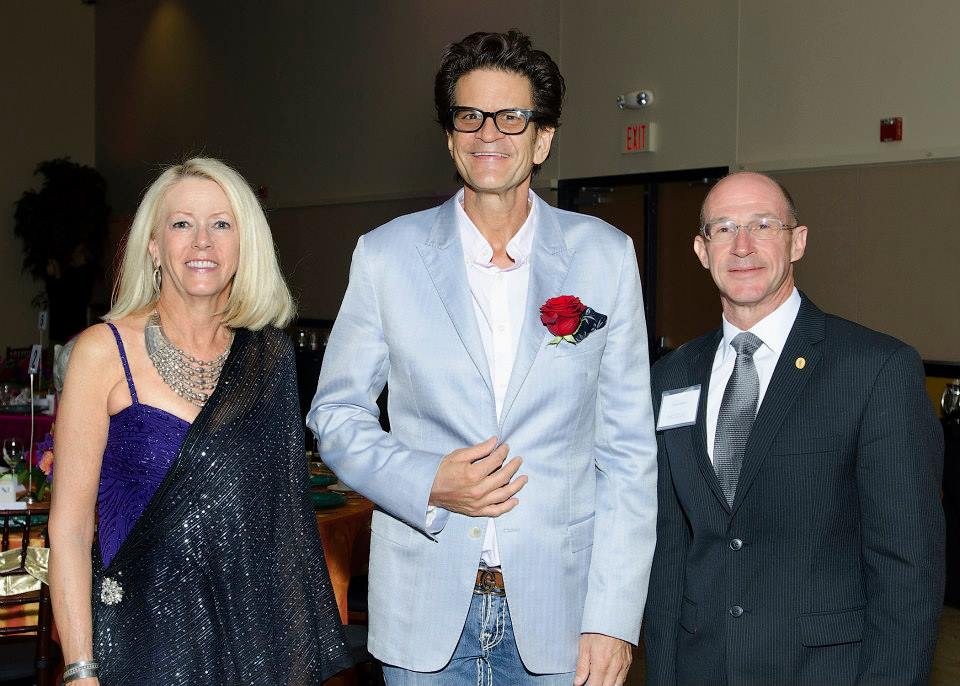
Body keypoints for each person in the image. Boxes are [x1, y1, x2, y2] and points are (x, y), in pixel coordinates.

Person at [309, 29, 656, 686]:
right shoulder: (386, 256)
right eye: (469, 116)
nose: (487, 133)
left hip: (561, 612)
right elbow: (338, 412)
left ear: (542, 137)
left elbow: (629, 453)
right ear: (450, 137)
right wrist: (425, 482)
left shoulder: (603, 256)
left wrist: (612, 618)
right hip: (424, 611)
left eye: (510, 116)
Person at [48, 158, 353, 685]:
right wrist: (79, 668)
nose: (202, 242)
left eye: (221, 224)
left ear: (244, 244)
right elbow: (70, 529)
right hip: (138, 641)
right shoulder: (102, 352)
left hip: (247, 645)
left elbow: (285, 536)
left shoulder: (269, 358)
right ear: (153, 245)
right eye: (182, 223)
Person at [643, 171, 944, 686]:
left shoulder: (874, 369)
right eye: (724, 229)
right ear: (701, 249)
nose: (743, 246)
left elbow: (907, 564)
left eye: (763, 225)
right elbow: (669, 552)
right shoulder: (671, 378)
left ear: (797, 241)